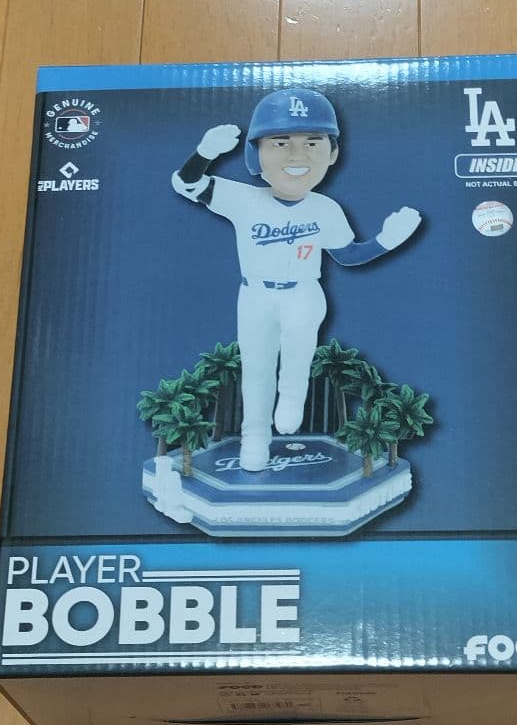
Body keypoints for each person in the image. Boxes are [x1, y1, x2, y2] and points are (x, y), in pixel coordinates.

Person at [171, 88, 421, 471]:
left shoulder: (326, 208)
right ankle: (255, 438)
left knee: (299, 343)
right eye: (280, 142)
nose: (297, 155)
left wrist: (386, 241)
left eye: (312, 143)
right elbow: (186, 184)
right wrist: (205, 153)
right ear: (256, 153)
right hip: (254, 294)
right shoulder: (244, 199)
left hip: (303, 292)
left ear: (332, 153)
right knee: (256, 368)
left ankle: (291, 398)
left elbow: (347, 255)